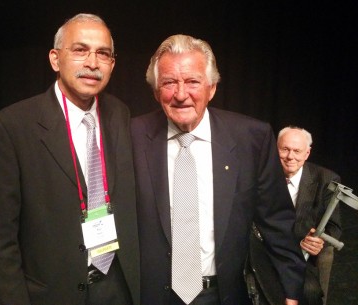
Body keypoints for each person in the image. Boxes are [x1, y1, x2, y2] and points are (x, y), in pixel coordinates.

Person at [131, 34, 306, 305]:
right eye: (168, 83)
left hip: (222, 295)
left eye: (192, 82)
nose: (180, 94)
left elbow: (277, 220)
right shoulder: (132, 136)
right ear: (156, 92)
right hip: (152, 296)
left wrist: (291, 289)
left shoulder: (251, 138)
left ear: (211, 88)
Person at [0, 13, 139, 305]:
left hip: (118, 286)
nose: (92, 63)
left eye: (103, 54)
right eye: (80, 50)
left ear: (112, 65)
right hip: (53, 292)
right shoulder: (12, 127)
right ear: (55, 59)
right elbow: (0, 240)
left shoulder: (120, 114)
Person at [277, 126, 341, 305]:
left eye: (297, 151)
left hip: (301, 255)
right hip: (265, 251)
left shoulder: (326, 179)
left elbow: (334, 228)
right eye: (285, 149)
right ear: (276, 149)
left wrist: (318, 241)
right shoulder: (262, 175)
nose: (290, 157)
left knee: (310, 291)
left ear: (307, 153)